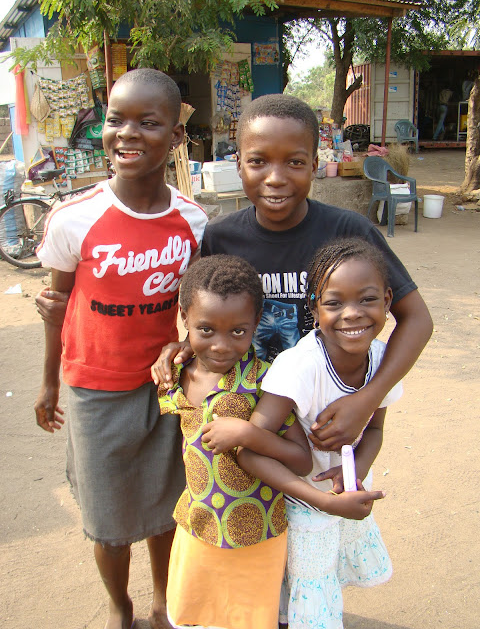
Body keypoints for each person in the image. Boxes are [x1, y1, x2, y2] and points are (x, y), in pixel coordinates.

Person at [152, 93, 432, 455]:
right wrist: (188, 344)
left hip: (325, 419)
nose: (275, 178)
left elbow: (417, 319)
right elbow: (213, 313)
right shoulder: (221, 236)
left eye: (295, 162)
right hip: (250, 417)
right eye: (258, 161)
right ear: (239, 165)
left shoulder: (349, 232)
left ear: (314, 165)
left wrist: (367, 399)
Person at [34, 68, 208, 629]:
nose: (127, 133)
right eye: (115, 120)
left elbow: (198, 309)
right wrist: (49, 382)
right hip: (96, 389)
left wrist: (183, 344)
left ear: (175, 137)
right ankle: (120, 604)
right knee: (108, 522)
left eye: (148, 123)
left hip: (165, 388)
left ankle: (161, 600)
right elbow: (57, 306)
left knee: (165, 507)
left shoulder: (193, 222)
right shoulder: (73, 218)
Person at [158, 254, 385, 629]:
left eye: (238, 332)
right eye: (206, 330)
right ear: (184, 318)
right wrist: (170, 353)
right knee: (198, 612)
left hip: (258, 530)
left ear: (256, 323)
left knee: (251, 617)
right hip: (198, 522)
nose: (221, 345)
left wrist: (248, 433)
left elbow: (301, 459)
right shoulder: (175, 372)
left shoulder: (265, 382)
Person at [254, 236, 401, 628]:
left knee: (322, 582)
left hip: (342, 497)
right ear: (314, 309)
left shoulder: (383, 360)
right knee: (304, 593)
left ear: (387, 301)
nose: (352, 314)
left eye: (367, 299)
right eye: (334, 303)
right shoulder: (299, 368)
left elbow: (375, 428)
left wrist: (354, 474)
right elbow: (250, 449)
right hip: (300, 503)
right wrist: (322, 502)